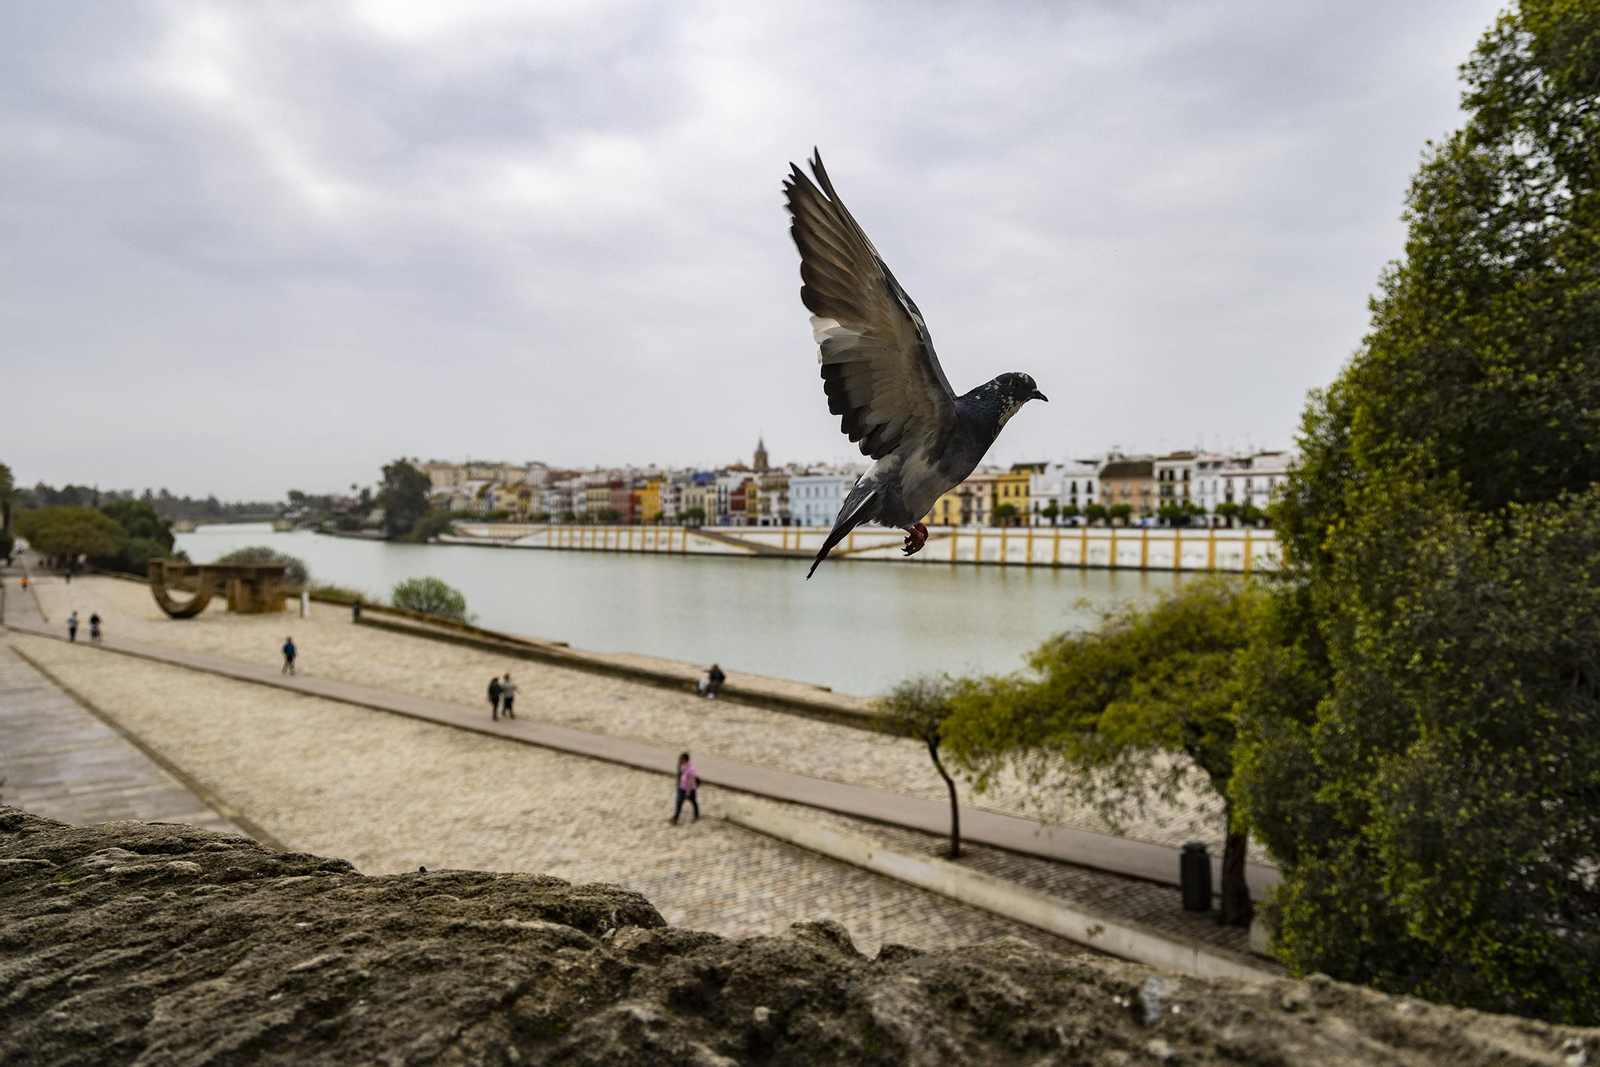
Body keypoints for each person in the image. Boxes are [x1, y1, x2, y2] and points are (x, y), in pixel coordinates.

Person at [671, 752, 699, 823]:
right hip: (681, 787)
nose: (680, 761)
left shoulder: (691, 769)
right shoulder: (681, 766)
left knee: (693, 802)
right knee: (679, 802)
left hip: (690, 789)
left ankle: (696, 815)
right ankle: (676, 817)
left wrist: (688, 791)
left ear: (685, 760)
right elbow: (680, 775)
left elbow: (691, 781)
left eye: (681, 759)